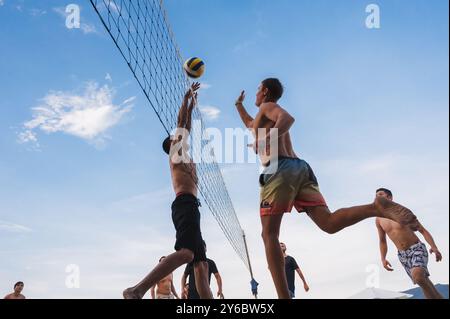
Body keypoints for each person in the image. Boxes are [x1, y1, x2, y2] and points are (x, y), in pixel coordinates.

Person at [233, 78, 419, 299]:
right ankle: (375, 207)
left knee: (269, 234)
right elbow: (250, 124)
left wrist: (266, 141)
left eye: (257, 90)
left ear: (264, 91)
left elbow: (288, 118)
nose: (255, 94)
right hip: (301, 169)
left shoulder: (267, 106)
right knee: (328, 223)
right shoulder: (262, 116)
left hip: (279, 169)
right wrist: (238, 106)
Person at [123, 82, 212, 299]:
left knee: (201, 265)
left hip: (192, 206)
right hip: (184, 204)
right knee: (186, 254)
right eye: (176, 138)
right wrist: (186, 99)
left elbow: (186, 124)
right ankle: (136, 290)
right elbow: (182, 122)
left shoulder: (187, 157)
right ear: (172, 145)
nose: (180, 137)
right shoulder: (176, 154)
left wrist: (193, 104)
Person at [375, 188, 443, 299]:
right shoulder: (379, 219)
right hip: (403, 255)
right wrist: (383, 258)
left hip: (416, 248)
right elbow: (382, 240)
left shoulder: (402, 212)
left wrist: (434, 247)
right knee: (422, 281)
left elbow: (422, 230)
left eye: (380, 194)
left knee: (418, 277)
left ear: (389, 197)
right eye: (376, 195)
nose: (377, 197)